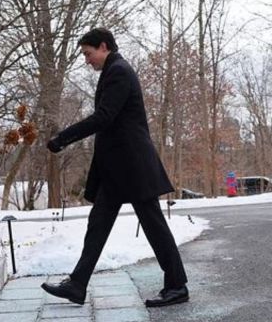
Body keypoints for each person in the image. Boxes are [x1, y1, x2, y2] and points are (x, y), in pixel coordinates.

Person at [41, 28, 189, 308]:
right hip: (118, 170)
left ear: (104, 46)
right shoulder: (113, 71)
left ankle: (177, 286)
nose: (87, 60)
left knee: (154, 225)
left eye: (88, 54)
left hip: (133, 167)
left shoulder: (119, 71)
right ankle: (77, 284)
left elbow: (104, 117)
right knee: (97, 224)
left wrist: (63, 138)